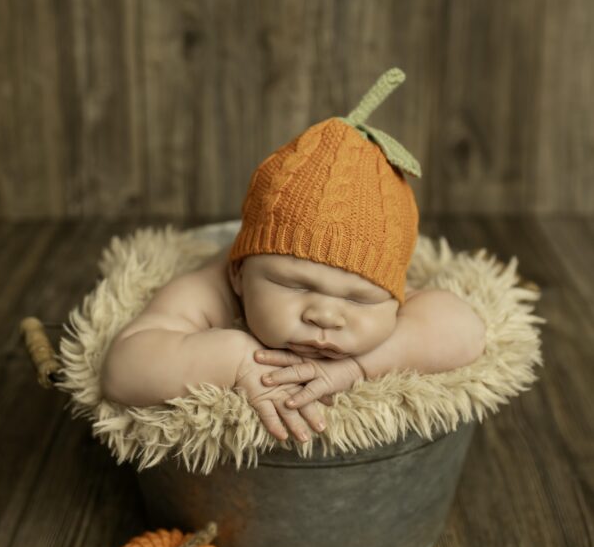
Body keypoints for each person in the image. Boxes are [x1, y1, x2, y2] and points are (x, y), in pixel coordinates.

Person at [100, 69, 486, 443]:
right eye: (293, 284)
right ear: (239, 272)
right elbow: (122, 370)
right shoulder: (213, 287)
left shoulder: (387, 286)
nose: (325, 315)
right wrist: (233, 359)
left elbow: (465, 330)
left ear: (395, 294)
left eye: (358, 298)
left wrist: (359, 366)